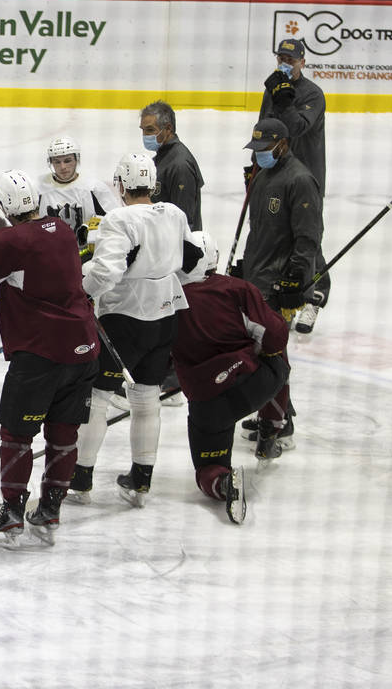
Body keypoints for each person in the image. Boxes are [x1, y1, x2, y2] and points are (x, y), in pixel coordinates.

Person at [0, 171, 100, 545]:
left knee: (17, 433)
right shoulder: (64, 230)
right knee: (63, 430)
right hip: (83, 345)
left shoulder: (10, 240)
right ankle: (51, 507)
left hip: (41, 352)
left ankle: (12, 512)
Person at [71, 153, 199, 506]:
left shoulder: (118, 218)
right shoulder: (174, 213)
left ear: (122, 184)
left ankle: (80, 476)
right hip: (166, 313)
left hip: (124, 317)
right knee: (146, 398)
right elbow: (192, 261)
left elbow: (106, 273)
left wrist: (81, 290)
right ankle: (141, 477)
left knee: (98, 397)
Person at [172, 231, 291, 523]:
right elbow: (276, 337)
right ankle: (270, 431)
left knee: (207, 470)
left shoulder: (166, 298)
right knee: (278, 360)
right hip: (252, 384)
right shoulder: (237, 289)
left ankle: (224, 483)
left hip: (208, 404)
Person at [233, 117, 323, 457]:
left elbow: (308, 237)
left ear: (282, 144)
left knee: (273, 354)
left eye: (264, 149)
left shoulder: (300, 180)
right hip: (257, 278)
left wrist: (295, 280)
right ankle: (270, 412)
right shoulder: (262, 174)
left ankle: (281, 422)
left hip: (279, 285)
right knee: (260, 352)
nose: (258, 155)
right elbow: (262, 230)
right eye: (255, 150)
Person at [258, 37, 329, 333]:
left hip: (305, 177)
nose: (285, 64)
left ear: (303, 61)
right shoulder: (273, 88)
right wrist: (255, 166)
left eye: (291, 60)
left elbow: (297, 127)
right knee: (278, 233)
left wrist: (285, 99)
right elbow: (263, 127)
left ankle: (316, 295)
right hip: (275, 173)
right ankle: (285, 294)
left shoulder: (313, 94)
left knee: (307, 236)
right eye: (281, 59)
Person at [139, 101, 204, 231]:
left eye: (150, 130)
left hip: (175, 246)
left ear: (168, 128)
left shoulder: (180, 166)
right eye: (143, 130)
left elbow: (184, 220)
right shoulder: (162, 156)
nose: (145, 135)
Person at [36, 135, 120, 232]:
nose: (63, 167)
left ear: (77, 159)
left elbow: (115, 221)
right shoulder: (39, 188)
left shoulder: (94, 188)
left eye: (67, 161)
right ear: (51, 163)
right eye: (57, 162)